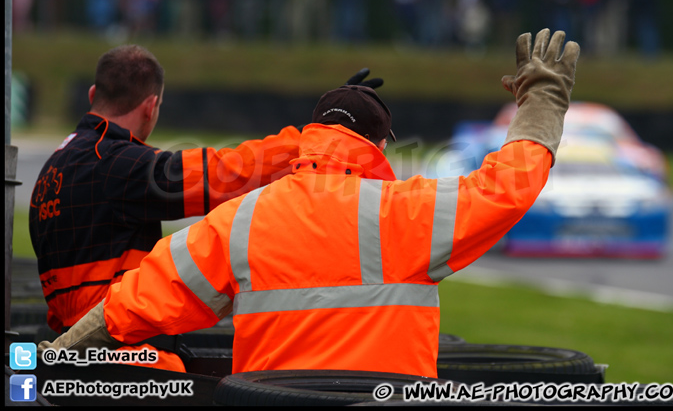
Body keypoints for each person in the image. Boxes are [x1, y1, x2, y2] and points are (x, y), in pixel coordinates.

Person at [39, 29, 580, 378]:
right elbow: (504, 188)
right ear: (381, 147)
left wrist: (50, 361)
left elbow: (129, 305)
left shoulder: (239, 223)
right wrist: (542, 107)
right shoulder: (412, 212)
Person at [30, 45, 375, 372]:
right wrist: (321, 133)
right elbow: (227, 173)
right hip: (123, 357)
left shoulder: (53, 168)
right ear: (151, 106)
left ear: (93, 95)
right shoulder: (119, 165)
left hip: (70, 350)